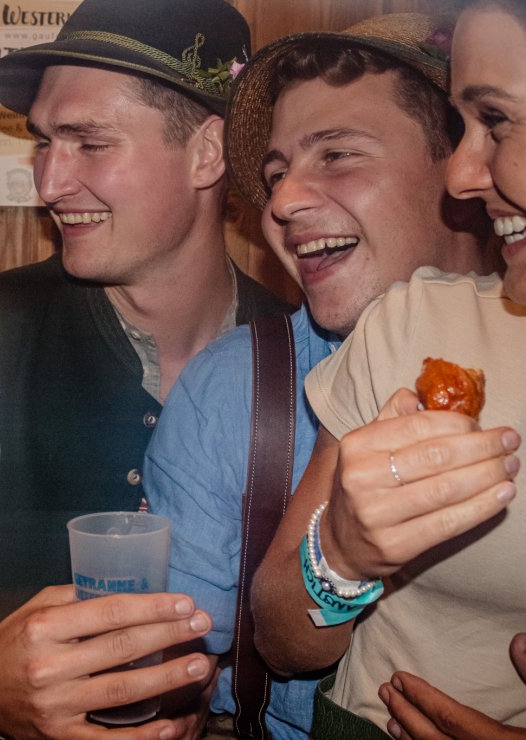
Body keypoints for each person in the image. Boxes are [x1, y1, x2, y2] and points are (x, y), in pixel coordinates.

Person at [0, 0, 292, 736]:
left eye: (90, 143)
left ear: (208, 153)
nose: (49, 182)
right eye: (44, 143)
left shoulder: (296, 357)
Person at [251, 0, 526, 737]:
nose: (461, 174)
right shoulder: (417, 328)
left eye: (495, 120)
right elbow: (281, 640)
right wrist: (340, 553)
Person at [144, 12, 497, 738]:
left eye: (337, 154)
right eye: (276, 175)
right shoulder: (233, 392)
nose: (280, 202)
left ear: (463, 167)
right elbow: (169, 676)